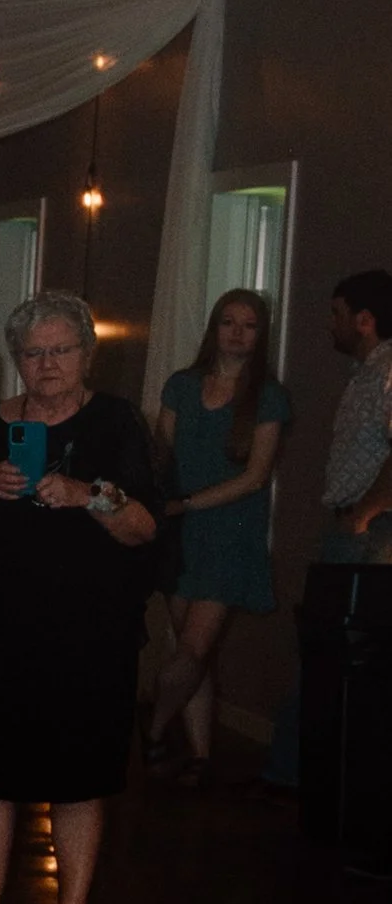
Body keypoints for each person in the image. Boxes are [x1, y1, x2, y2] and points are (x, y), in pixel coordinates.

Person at [0, 290, 158, 904]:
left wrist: (89, 494)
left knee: (80, 776)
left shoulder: (117, 423)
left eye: (61, 350)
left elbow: (144, 526)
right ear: (16, 359)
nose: (48, 363)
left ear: (88, 355)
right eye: (34, 352)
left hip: (89, 635)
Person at [145, 288, 290, 785]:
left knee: (191, 650)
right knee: (192, 649)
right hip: (179, 532)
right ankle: (201, 755)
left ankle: (153, 730)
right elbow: (161, 453)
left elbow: (255, 476)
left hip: (229, 531)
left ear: (260, 334)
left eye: (248, 325)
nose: (236, 332)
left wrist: (186, 504)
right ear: (214, 327)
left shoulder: (267, 396)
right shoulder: (182, 385)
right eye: (228, 322)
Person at [293, 269, 392, 850]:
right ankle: (318, 794)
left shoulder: (387, 371)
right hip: (352, 525)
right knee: (323, 655)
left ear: (363, 318)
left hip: (370, 533)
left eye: (336, 313)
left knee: (354, 659)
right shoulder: (365, 372)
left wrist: (367, 513)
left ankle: (352, 810)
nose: (329, 325)